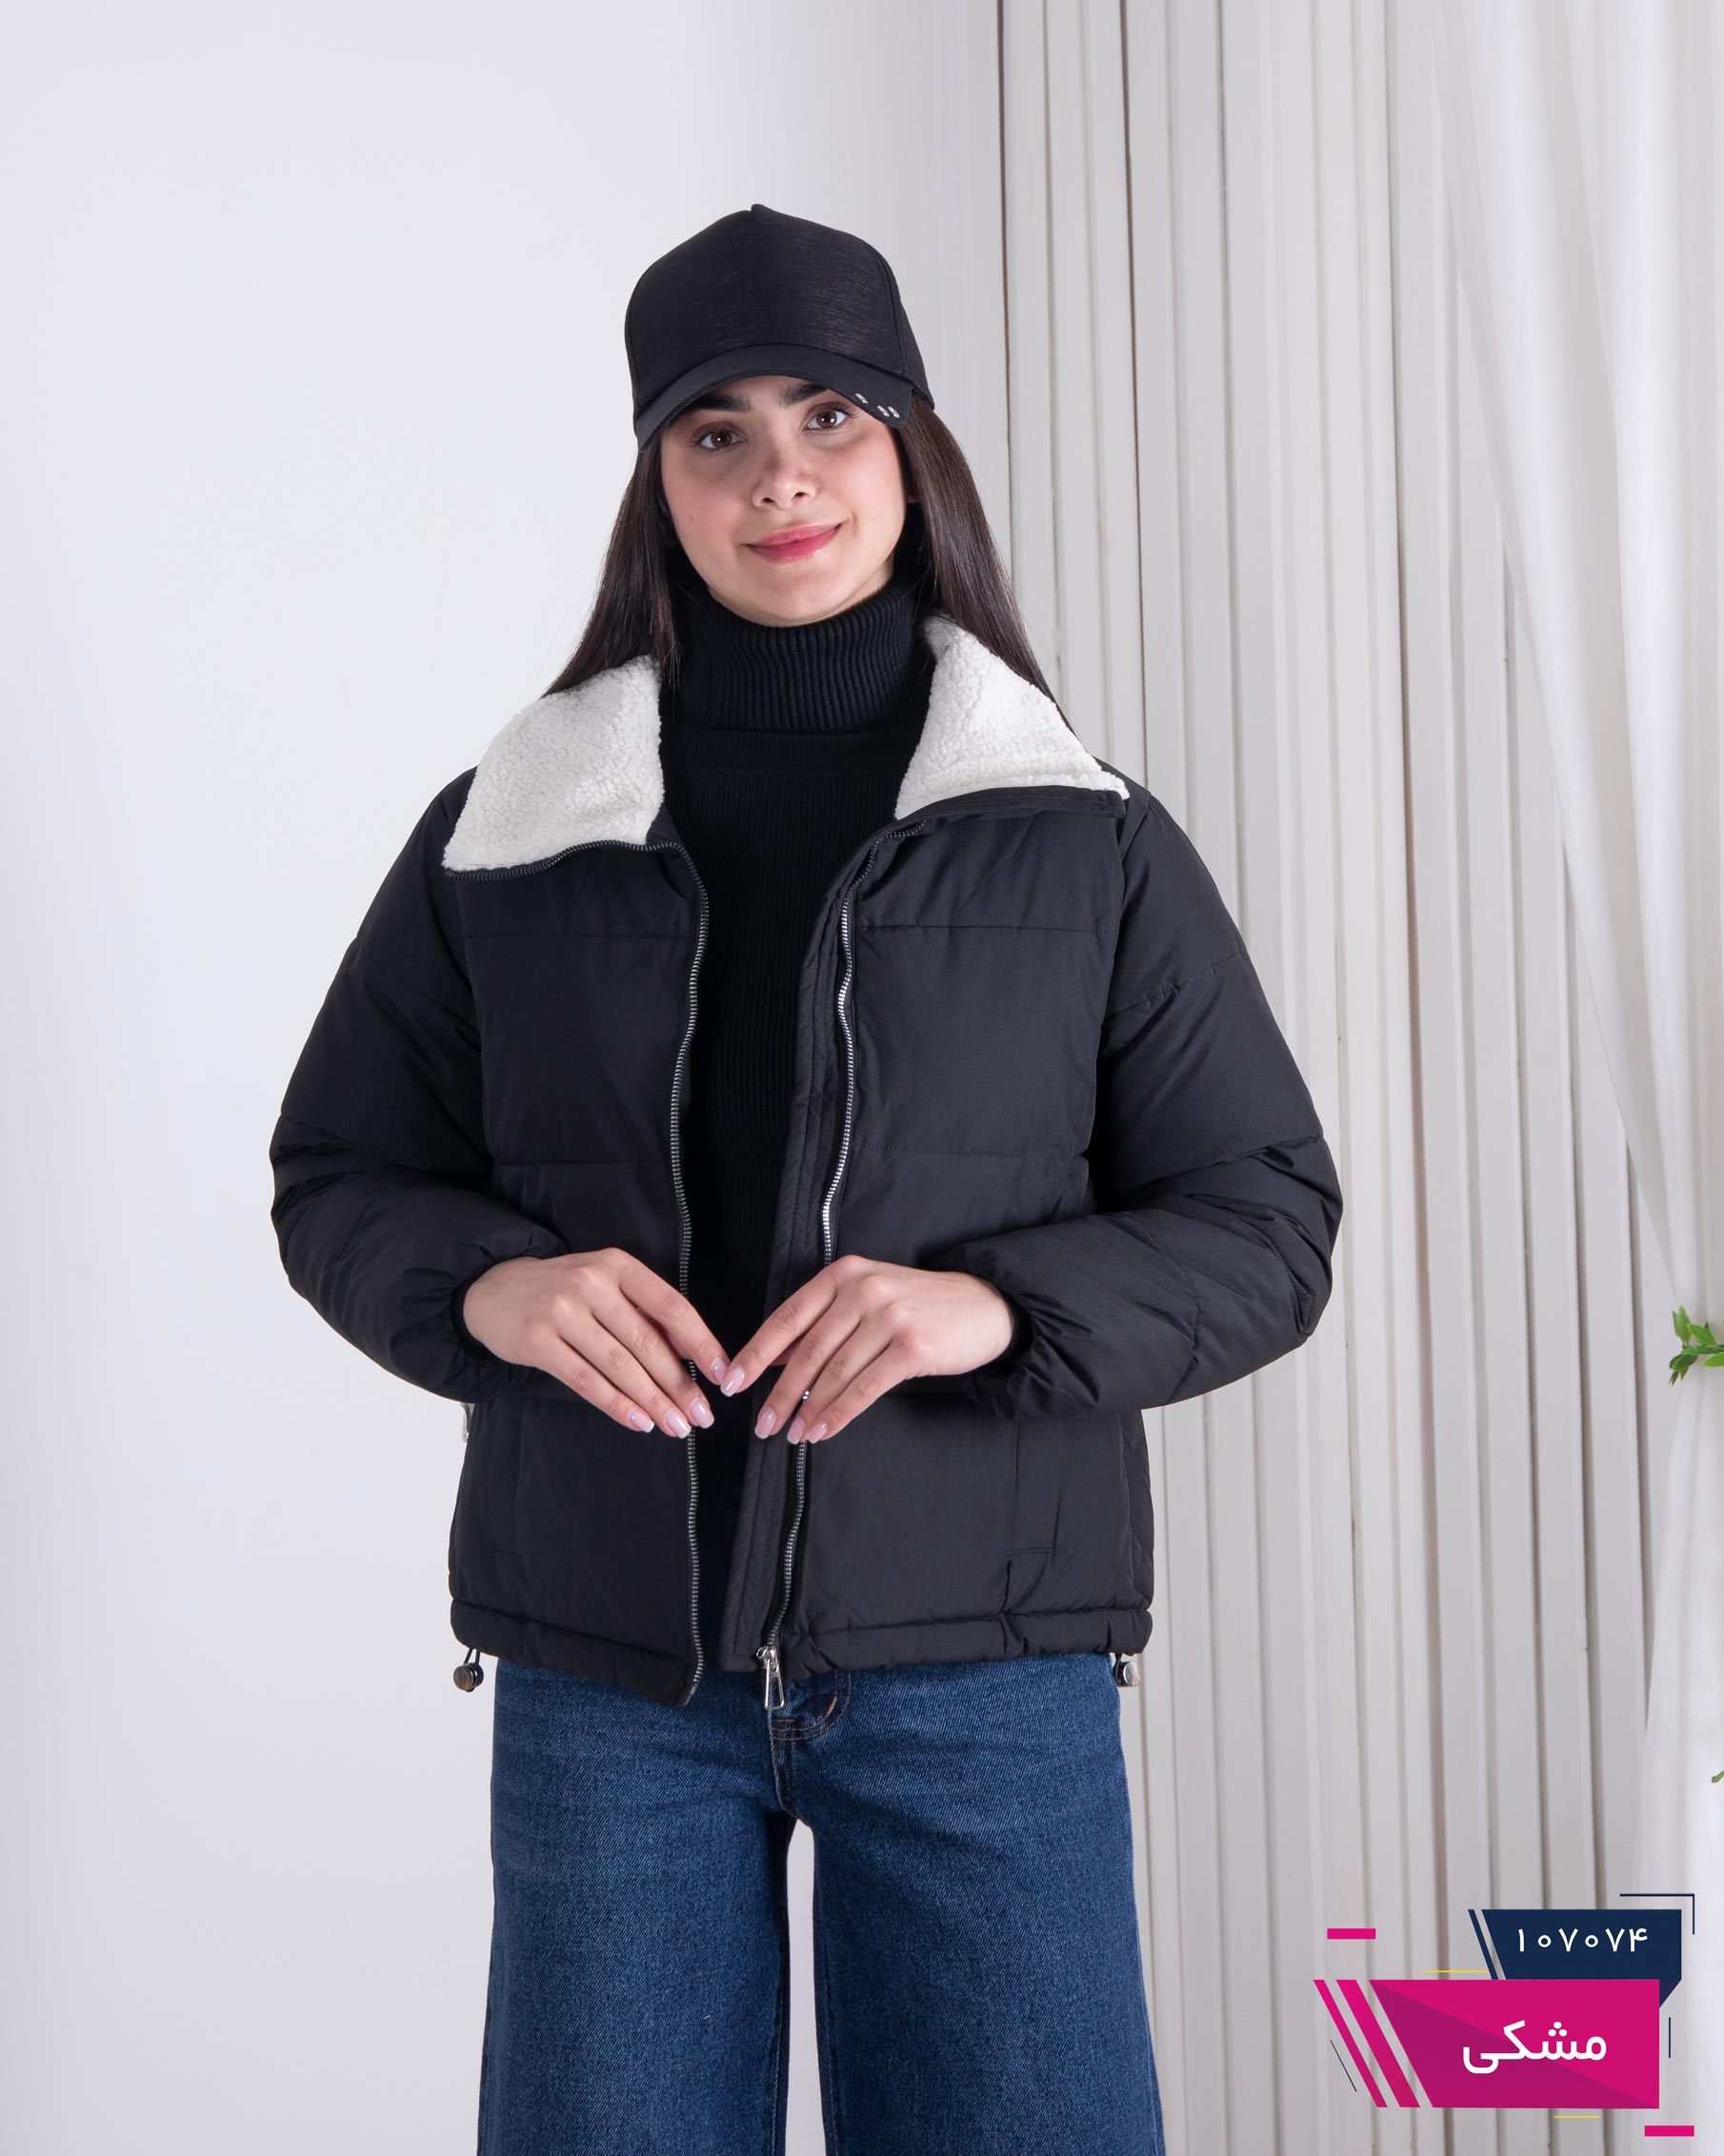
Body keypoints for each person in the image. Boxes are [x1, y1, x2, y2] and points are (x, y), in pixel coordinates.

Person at [269, 203, 1343, 2156]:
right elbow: (340, 1168)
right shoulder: (509, 831)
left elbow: (1265, 1220)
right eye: (717, 432)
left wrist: (993, 1307)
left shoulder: (1079, 836)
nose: (779, 476)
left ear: (909, 451)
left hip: (983, 1668)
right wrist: (493, 1287)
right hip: (611, 1676)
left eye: (829, 416)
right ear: (656, 485)